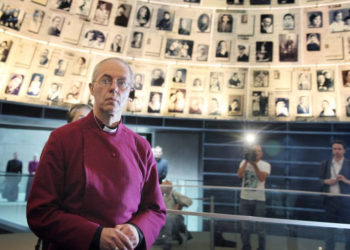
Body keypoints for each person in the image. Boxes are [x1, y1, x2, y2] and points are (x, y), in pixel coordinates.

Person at [27, 57, 166, 250]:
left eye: (122, 83)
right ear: (92, 89)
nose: (114, 88)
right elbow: (40, 212)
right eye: (106, 80)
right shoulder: (61, 139)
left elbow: (155, 209)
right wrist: (94, 235)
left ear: (130, 92)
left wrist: (138, 230)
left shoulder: (141, 147)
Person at [237, 145, 271, 250]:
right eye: (254, 151)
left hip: (259, 200)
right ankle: (246, 248)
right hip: (245, 199)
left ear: (261, 153)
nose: (256, 153)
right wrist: (247, 161)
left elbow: (261, 178)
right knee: (244, 228)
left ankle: (261, 248)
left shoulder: (265, 165)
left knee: (260, 229)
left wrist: (254, 165)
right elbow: (239, 175)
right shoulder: (244, 162)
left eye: (258, 151)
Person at [319, 140, 350, 250]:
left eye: (339, 149)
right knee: (329, 231)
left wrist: (346, 181)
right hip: (330, 201)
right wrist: (327, 181)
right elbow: (320, 181)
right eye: (334, 149)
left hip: (346, 202)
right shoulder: (325, 163)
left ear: (344, 151)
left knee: (348, 231)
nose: (336, 151)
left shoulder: (349, 163)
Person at [157, 180, 192, 249]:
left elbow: (189, 201)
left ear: (168, 188)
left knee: (168, 219)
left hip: (174, 218)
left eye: (163, 187)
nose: (161, 188)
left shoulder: (175, 194)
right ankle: (177, 235)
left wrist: (180, 204)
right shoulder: (162, 197)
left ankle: (168, 243)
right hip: (167, 219)